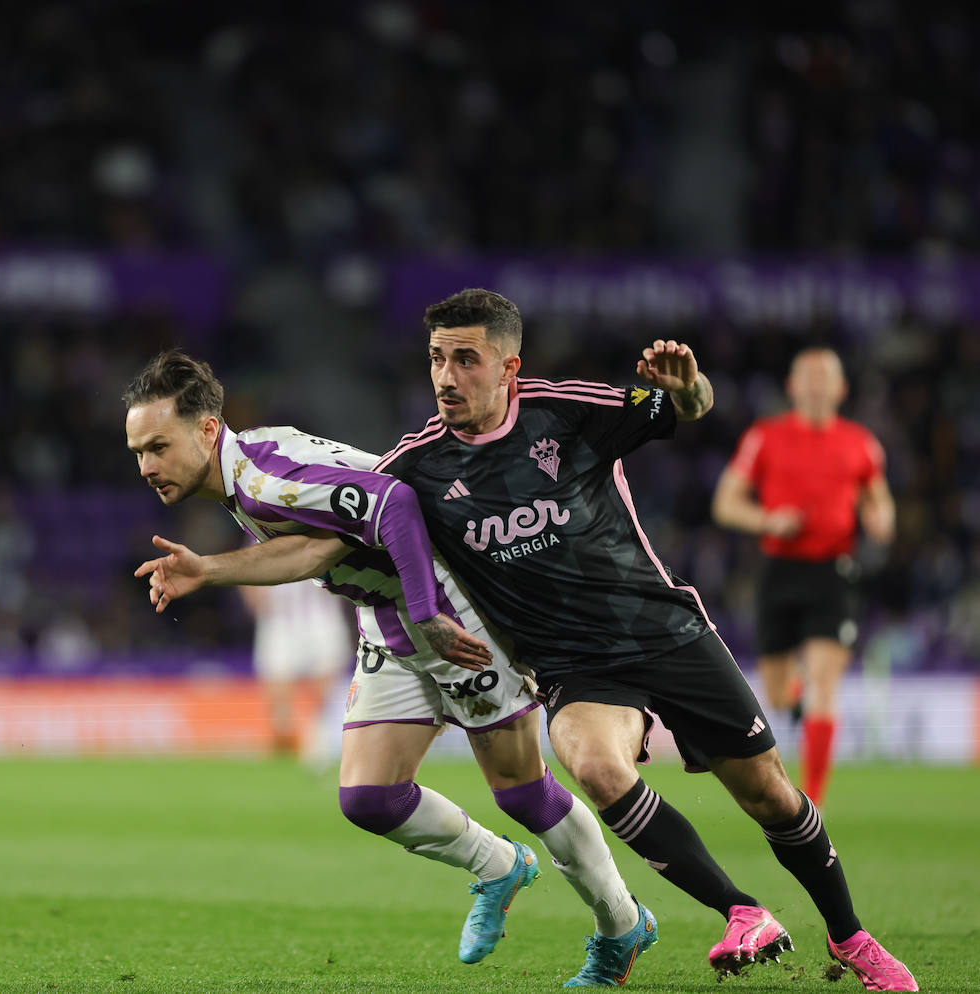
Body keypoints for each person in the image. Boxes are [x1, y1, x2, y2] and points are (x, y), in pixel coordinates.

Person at [148, 291, 917, 992]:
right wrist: (212, 570)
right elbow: (327, 545)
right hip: (572, 663)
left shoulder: (565, 412)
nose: (445, 377)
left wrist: (687, 389)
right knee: (592, 764)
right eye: (436, 359)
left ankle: (851, 936)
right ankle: (741, 912)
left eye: (465, 359)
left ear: (509, 367)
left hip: (663, 627)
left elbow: (685, 407)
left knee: (768, 796)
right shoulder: (416, 466)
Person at [124, 350, 658, 986]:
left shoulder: (267, 478)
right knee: (369, 797)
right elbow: (316, 549)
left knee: (520, 789)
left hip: (449, 602)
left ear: (208, 430)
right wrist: (209, 570)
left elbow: (397, 504)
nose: (146, 467)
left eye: (158, 446)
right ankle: (499, 865)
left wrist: (431, 613)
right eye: (137, 452)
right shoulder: (244, 475)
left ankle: (622, 924)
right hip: (387, 609)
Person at [711, 348, 895, 805]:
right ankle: (794, 706)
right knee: (776, 694)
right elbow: (726, 503)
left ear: (840, 388)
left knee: (823, 683)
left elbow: (880, 501)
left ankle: (812, 801)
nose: (815, 384)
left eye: (824, 377)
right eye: (807, 377)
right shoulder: (765, 437)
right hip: (779, 571)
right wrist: (767, 521)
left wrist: (881, 520)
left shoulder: (861, 443)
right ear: (792, 387)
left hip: (833, 572)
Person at [238, 576, 353, 762]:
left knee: (325, 691)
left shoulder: (324, 545)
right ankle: (285, 747)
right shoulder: (261, 545)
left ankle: (319, 745)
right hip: (278, 620)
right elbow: (245, 568)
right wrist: (254, 599)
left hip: (321, 619)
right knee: (279, 696)